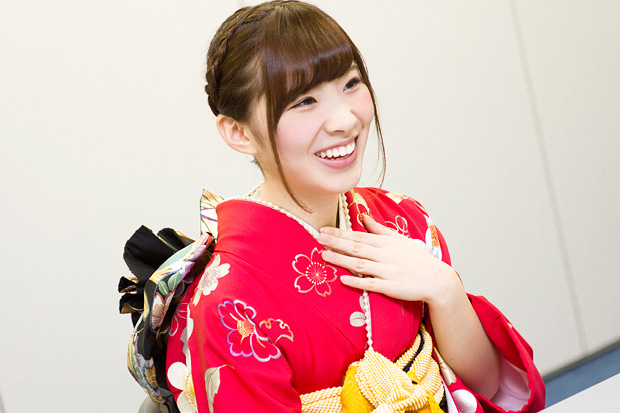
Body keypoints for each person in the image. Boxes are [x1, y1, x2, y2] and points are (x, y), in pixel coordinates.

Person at [121, 1, 546, 412]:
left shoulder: (402, 221)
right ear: (239, 132)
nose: (344, 120)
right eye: (304, 101)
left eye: (350, 84)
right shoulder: (228, 303)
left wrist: (444, 289)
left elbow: (488, 387)